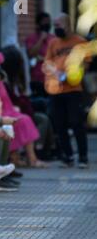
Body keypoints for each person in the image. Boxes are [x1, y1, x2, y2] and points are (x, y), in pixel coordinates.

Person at [44, 13, 89, 168]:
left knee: (77, 123)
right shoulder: (53, 43)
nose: (56, 28)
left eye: (58, 25)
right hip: (56, 89)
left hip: (74, 89)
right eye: (54, 25)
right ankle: (68, 157)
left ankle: (83, 157)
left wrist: (74, 72)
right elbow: (47, 62)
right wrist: (55, 73)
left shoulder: (80, 42)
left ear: (68, 24)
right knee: (59, 124)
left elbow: (86, 63)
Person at [0, 62, 47, 168]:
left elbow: (10, 100)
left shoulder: (1, 84)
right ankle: (18, 159)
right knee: (19, 122)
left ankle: (27, 158)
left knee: (24, 119)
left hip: (8, 111)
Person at [2, 45, 56, 162]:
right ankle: (35, 152)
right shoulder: (4, 80)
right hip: (11, 111)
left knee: (44, 118)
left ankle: (45, 149)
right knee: (37, 119)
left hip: (21, 108)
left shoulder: (16, 77)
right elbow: (13, 100)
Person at [26, 12, 55, 102]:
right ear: (38, 24)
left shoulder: (53, 38)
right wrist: (41, 39)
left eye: (48, 22)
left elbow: (57, 56)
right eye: (45, 22)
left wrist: (43, 58)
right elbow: (31, 54)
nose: (47, 24)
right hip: (37, 79)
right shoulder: (31, 38)